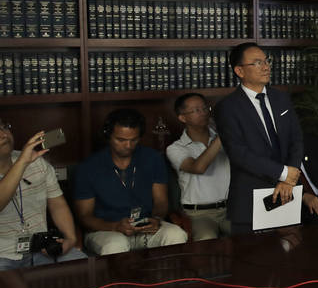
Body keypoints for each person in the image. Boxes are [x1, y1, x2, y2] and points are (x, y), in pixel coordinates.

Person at [215, 43, 304, 235]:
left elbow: (296, 139)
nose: (266, 67)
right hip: (249, 199)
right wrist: (282, 173)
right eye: (257, 63)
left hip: (287, 194)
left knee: (288, 258)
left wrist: (289, 178)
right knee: (251, 260)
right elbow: (238, 152)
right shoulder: (228, 107)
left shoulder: (281, 98)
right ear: (239, 70)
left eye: (266, 61)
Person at [73, 108, 187, 255]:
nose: (128, 146)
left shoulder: (152, 158)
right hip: (106, 229)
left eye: (134, 140)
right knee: (115, 245)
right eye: (121, 140)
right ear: (108, 136)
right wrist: (115, 226)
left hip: (144, 226)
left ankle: (167, 278)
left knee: (175, 235)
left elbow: (161, 201)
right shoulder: (88, 167)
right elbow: (84, 217)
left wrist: (156, 219)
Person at [0, 119, 86, 269]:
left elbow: (57, 204)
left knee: (84, 267)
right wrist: (22, 163)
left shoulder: (36, 162)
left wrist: (70, 238)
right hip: (3, 256)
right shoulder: (26, 160)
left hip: (42, 249)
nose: (3, 134)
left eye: (3, 127)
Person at [166, 93, 230, 240]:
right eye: (196, 110)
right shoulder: (176, 148)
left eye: (205, 108)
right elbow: (198, 167)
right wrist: (223, 135)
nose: (203, 113)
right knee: (205, 239)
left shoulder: (223, 139)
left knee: (249, 235)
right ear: (182, 118)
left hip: (229, 209)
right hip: (199, 214)